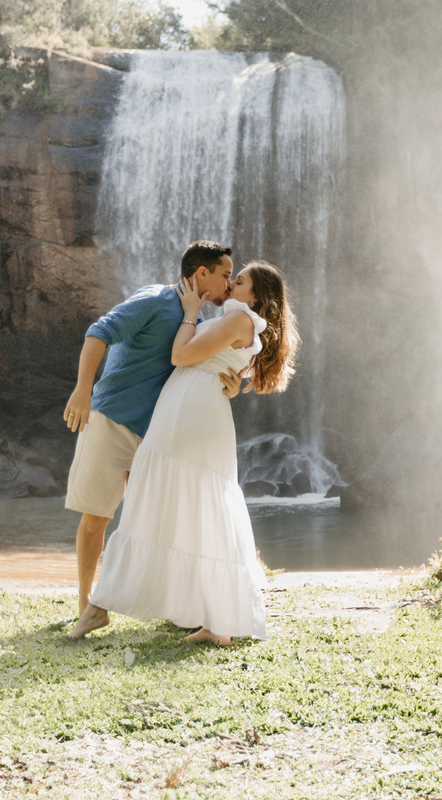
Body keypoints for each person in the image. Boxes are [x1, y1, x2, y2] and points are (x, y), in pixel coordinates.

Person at [69, 261, 299, 644]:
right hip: (190, 413)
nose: (230, 284)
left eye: (238, 280)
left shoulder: (240, 320)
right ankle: (208, 619)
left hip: (188, 419)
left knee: (161, 502)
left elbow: (181, 356)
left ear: (255, 296)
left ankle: (103, 606)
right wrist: (231, 385)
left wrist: (191, 314)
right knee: (191, 508)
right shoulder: (240, 322)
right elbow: (225, 367)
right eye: (229, 276)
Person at [63, 241, 242, 615]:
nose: (230, 284)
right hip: (113, 419)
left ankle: (176, 605)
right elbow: (99, 332)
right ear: (201, 274)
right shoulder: (154, 299)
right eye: (226, 275)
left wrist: (236, 385)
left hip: (160, 434)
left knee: (166, 523)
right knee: (97, 517)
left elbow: (209, 367)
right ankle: (85, 603)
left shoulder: (206, 322)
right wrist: (82, 391)